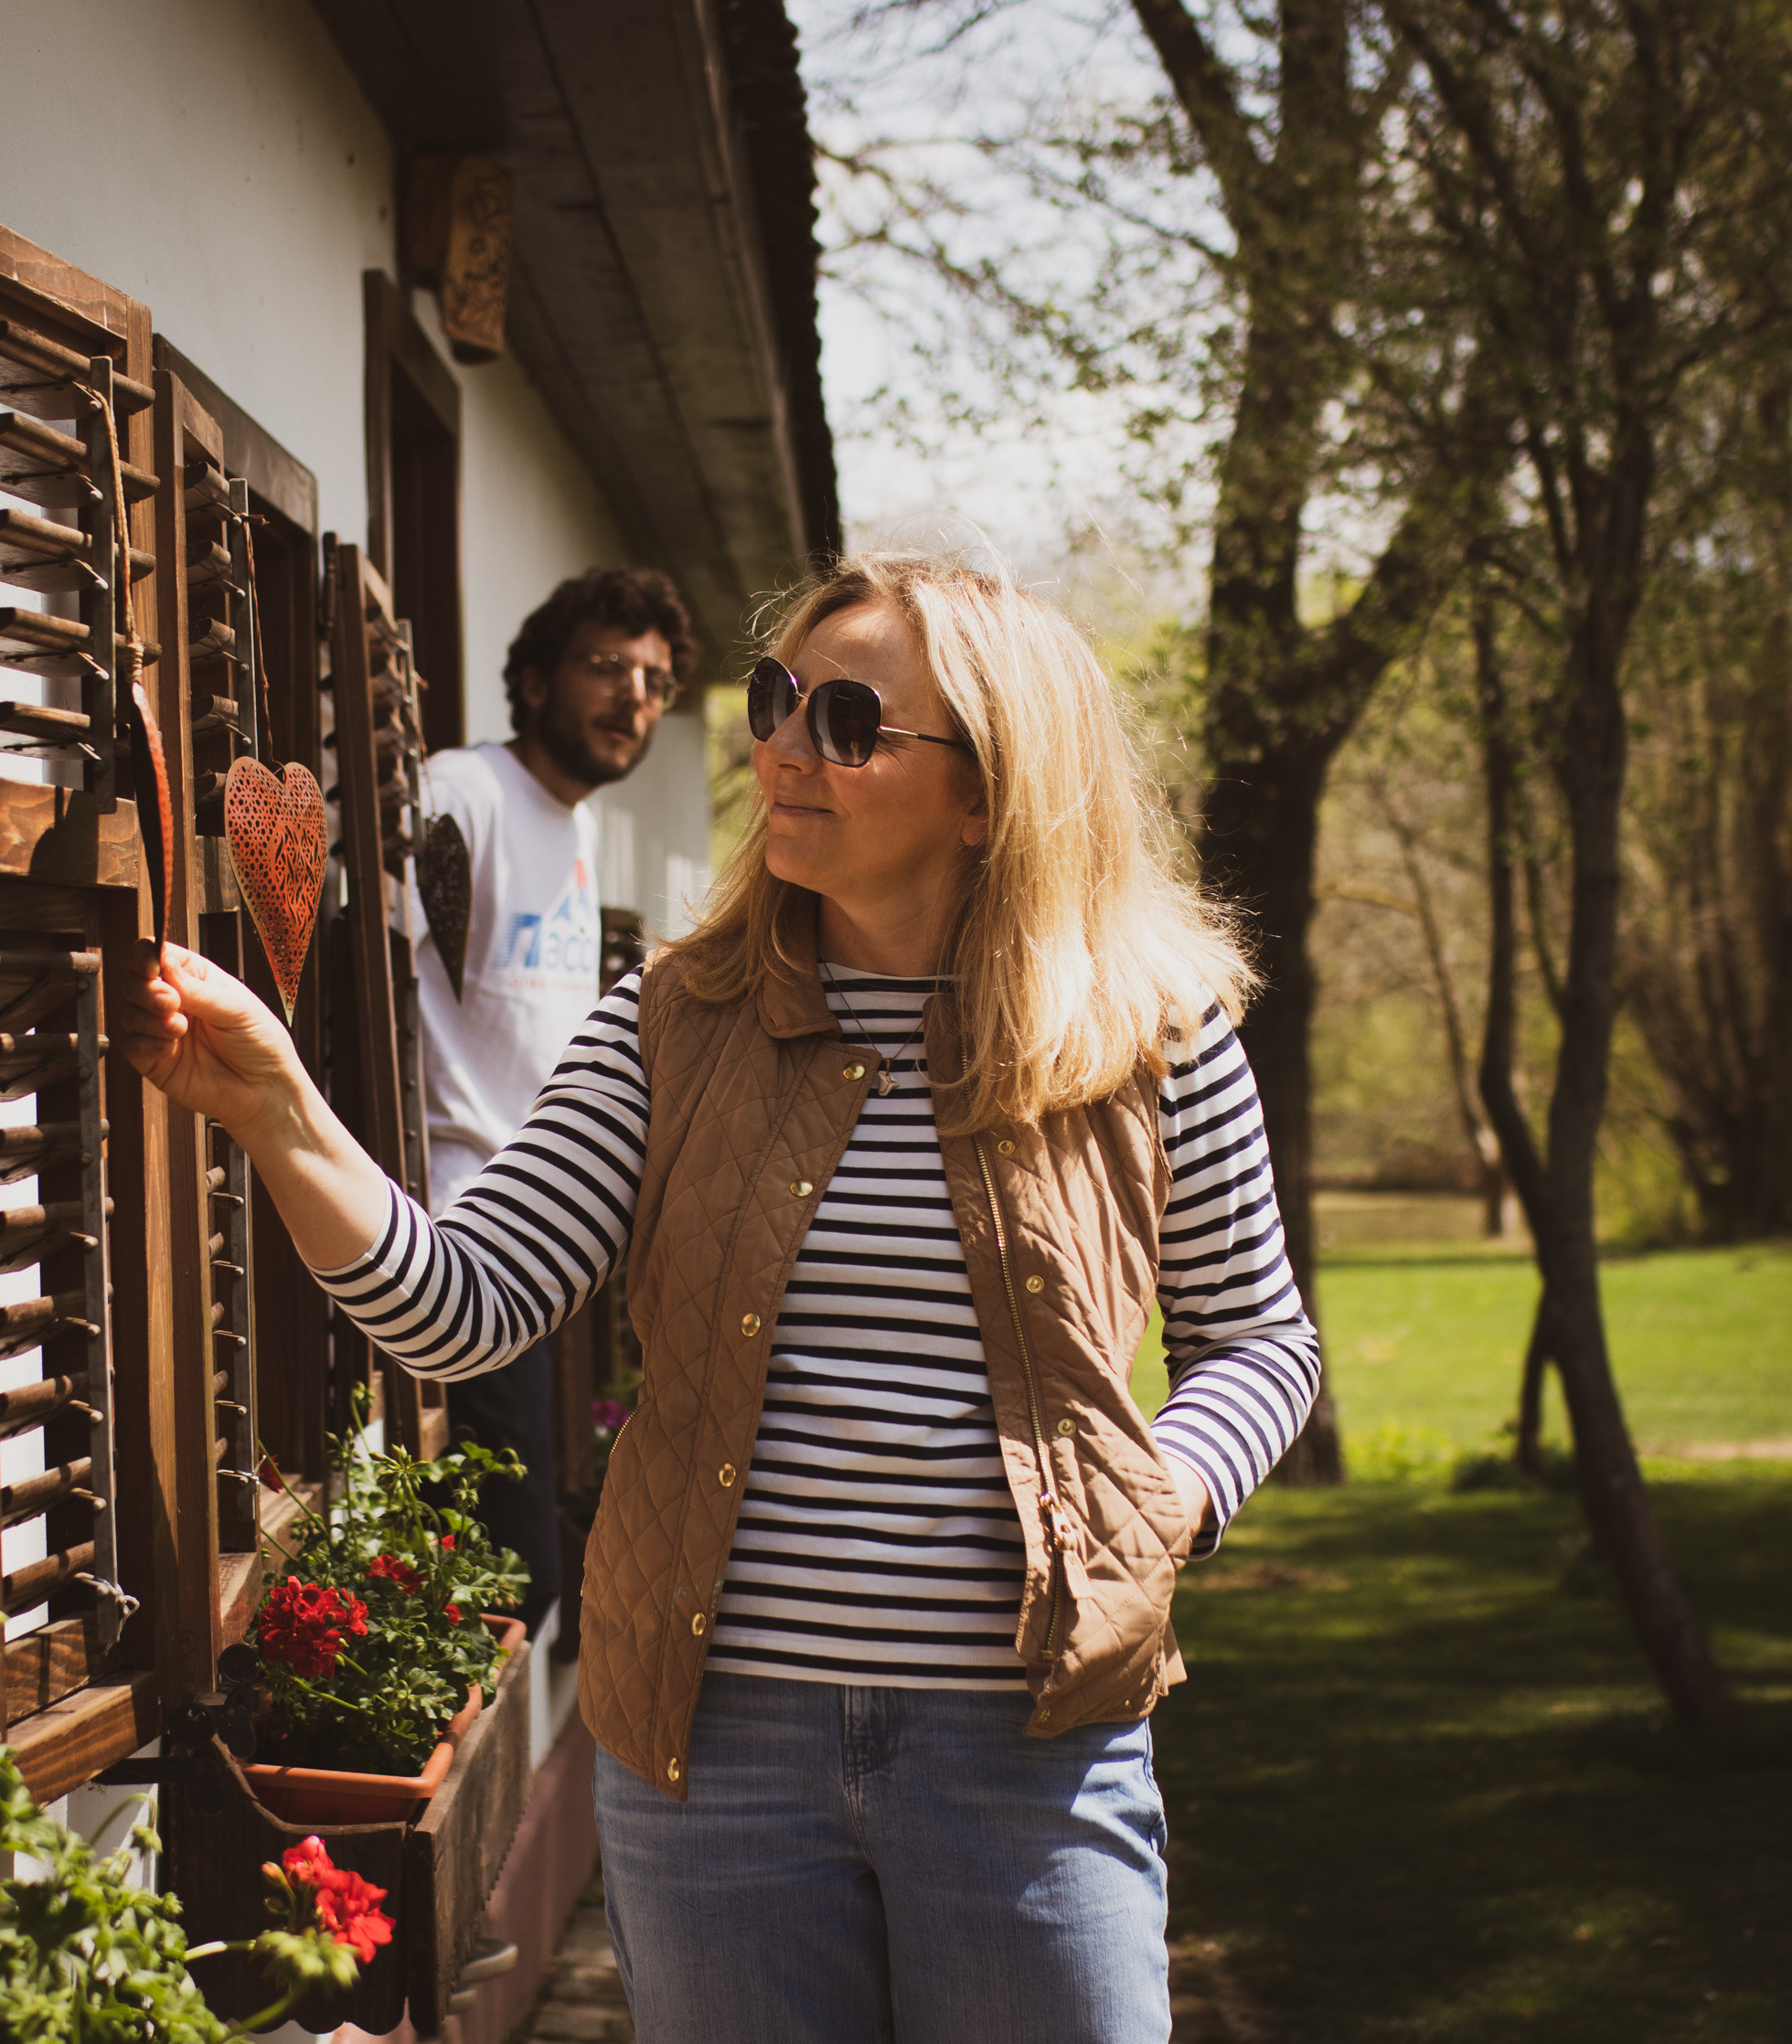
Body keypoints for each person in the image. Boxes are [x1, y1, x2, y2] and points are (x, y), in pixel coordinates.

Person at [120, 553, 1319, 2044]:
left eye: (849, 721)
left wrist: (1167, 1496)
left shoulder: (1149, 1036)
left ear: (987, 791)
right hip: (718, 1759)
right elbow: (464, 1306)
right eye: (777, 700)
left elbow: (1259, 1338)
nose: (783, 748)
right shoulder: (670, 1024)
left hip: (1031, 1752)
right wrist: (278, 1110)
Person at [415, 567, 695, 1633]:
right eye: (607, 666)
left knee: (537, 1571)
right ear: (535, 682)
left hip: (548, 1234)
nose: (635, 697)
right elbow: (366, 972)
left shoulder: (571, 829)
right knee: (516, 1577)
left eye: (655, 681)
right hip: (464, 1229)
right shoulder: (465, 793)